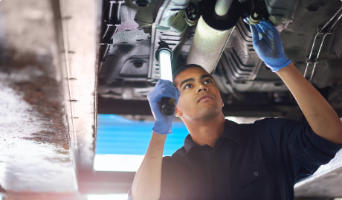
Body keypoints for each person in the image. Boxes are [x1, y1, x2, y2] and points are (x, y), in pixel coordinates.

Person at [128, 20, 342, 200]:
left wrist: (283, 66)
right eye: (188, 86)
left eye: (207, 80)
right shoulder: (174, 169)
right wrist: (159, 132)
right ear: (176, 109)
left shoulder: (268, 138)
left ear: (221, 100)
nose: (202, 86)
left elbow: (331, 136)